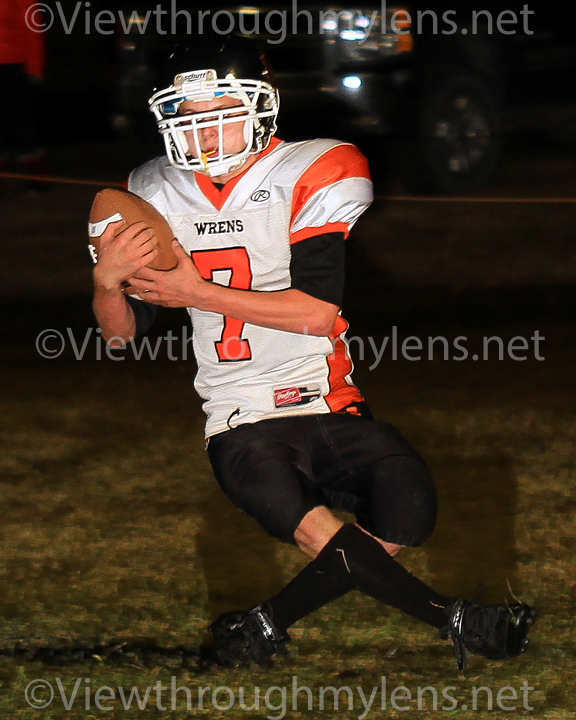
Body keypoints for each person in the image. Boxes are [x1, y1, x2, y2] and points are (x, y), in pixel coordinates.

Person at [91, 34, 536, 671]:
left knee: (409, 509)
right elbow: (118, 334)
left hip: (328, 399)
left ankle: (262, 625)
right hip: (242, 416)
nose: (203, 127)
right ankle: (456, 621)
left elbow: (315, 314)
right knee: (314, 528)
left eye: (218, 106)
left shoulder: (312, 168)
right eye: (186, 112)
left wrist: (194, 290)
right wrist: (107, 283)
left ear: (260, 103)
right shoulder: (152, 192)